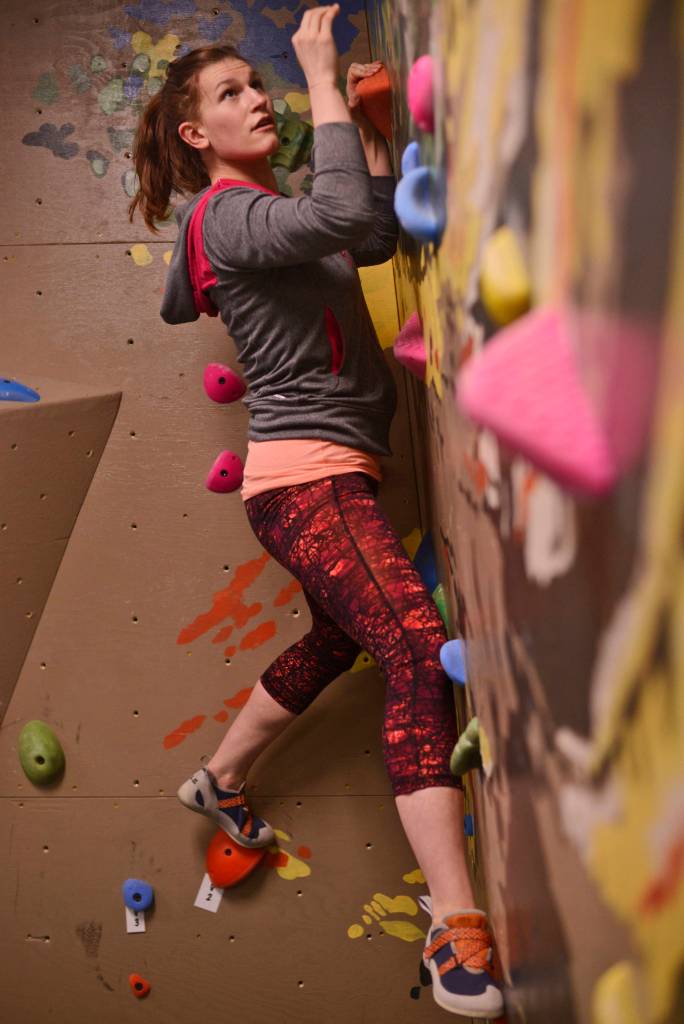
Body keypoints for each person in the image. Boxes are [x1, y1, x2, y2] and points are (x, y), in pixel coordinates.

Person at [129, 4, 503, 1018]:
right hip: (308, 485)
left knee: (341, 642)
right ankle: (455, 925)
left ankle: (220, 778)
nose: (260, 99)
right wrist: (324, 78)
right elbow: (339, 215)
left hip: (328, 481)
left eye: (259, 84)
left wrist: (372, 136)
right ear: (197, 133)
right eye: (233, 92)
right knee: (416, 652)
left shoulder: (271, 214)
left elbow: (368, 233)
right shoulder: (224, 218)